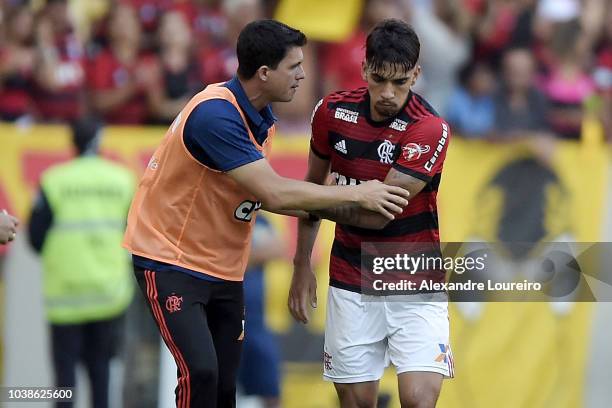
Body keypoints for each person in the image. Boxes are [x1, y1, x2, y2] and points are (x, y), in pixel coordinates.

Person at [122, 19, 410, 408]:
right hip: (172, 261)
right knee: (201, 372)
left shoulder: (260, 120)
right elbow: (273, 193)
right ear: (264, 73)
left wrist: (345, 214)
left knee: (225, 385)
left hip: (223, 266)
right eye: (294, 67)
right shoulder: (215, 115)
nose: (303, 75)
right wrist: (359, 195)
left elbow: (277, 198)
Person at [288, 19, 453, 408]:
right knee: (357, 403)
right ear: (364, 69)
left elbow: (380, 215)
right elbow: (312, 186)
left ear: (416, 74)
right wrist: (301, 264)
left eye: (400, 82)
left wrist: (316, 198)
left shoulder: (428, 128)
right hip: (350, 279)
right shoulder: (330, 112)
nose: (388, 93)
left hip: (414, 281)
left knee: (417, 401)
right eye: (379, 79)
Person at [28, 117, 135, 408]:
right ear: (100, 141)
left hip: (66, 296)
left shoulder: (54, 181)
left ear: (72, 142)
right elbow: (136, 233)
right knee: (101, 374)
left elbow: (35, 239)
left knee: (64, 381)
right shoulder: (122, 179)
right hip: (108, 294)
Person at [238, 215, 284, 408]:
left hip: (255, 322)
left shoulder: (258, 217)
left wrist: (240, 257)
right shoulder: (218, 211)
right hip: (220, 320)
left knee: (270, 389)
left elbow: (277, 248)